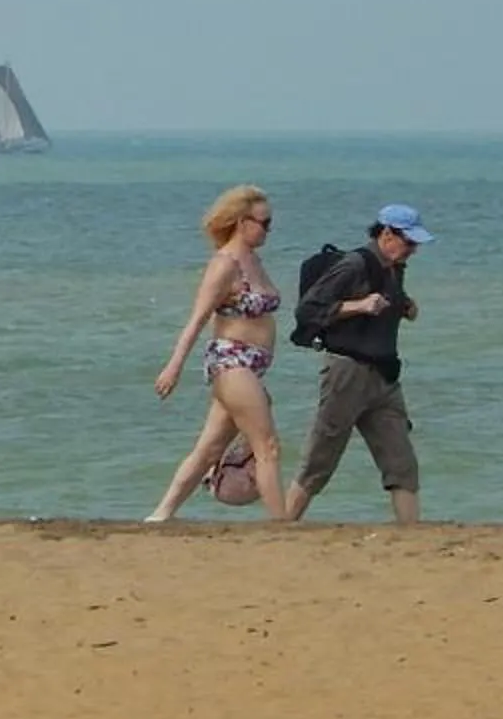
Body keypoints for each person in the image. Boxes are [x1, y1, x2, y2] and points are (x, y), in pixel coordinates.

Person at [143, 185, 289, 522]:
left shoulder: (253, 260)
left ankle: (160, 515)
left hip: (251, 367)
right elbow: (198, 318)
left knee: (209, 449)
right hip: (231, 362)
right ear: (241, 222)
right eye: (264, 223)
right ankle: (282, 525)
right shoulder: (224, 265)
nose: (269, 229)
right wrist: (173, 366)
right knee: (266, 446)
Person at [282, 203, 432, 524]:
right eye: (410, 243)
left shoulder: (395, 268)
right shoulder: (354, 264)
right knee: (319, 461)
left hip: (385, 377)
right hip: (346, 373)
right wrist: (358, 305)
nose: (413, 250)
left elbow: (388, 302)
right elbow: (308, 311)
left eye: (416, 244)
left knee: (402, 464)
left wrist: (405, 306)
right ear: (387, 234)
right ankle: (281, 526)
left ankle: (414, 533)